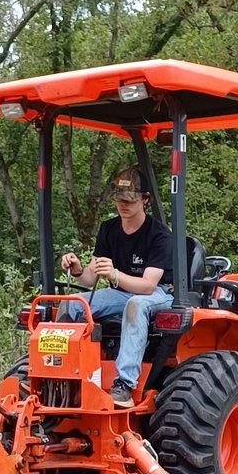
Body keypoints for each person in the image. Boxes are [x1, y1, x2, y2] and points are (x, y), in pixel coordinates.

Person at [59, 166, 173, 408]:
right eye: (119, 200)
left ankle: (124, 384)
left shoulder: (159, 235)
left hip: (157, 295)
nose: (123, 205)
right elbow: (90, 279)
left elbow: (148, 285)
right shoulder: (108, 229)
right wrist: (78, 268)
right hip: (120, 292)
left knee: (135, 304)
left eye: (129, 200)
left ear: (145, 199)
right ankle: (63, 375)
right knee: (72, 305)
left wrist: (115, 274)